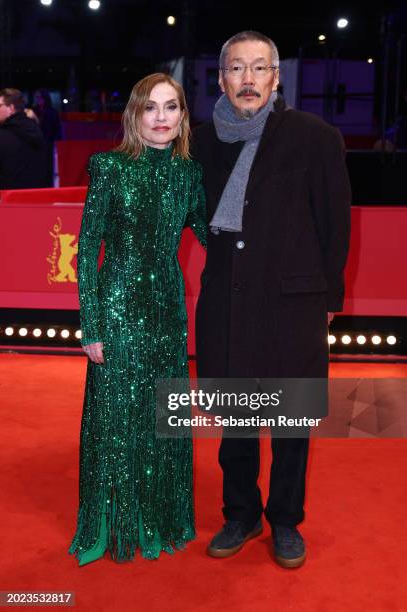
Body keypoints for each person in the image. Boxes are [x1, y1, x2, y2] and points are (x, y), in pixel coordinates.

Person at [191, 31, 351, 568]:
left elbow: (335, 221)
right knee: (235, 418)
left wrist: (329, 294)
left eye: (259, 69)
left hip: (292, 304)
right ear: (221, 78)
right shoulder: (202, 141)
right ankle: (240, 513)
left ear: (276, 78)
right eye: (237, 69)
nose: (248, 80)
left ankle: (285, 519)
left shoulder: (313, 136)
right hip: (227, 302)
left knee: (289, 423)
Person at [68, 73, 206, 566]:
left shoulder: (189, 174)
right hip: (119, 305)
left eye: (172, 107)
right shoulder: (107, 167)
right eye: (151, 107)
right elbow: (86, 250)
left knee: (162, 415)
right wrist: (94, 324)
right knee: (119, 417)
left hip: (168, 308)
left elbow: (213, 235)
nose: (162, 117)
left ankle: (164, 518)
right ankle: (118, 523)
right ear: (134, 115)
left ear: (183, 116)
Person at [0, 88, 47, 189]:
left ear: (11, 108)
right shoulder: (36, 130)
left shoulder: (3, 135)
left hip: (7, 200)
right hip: (35, 198)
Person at [33, 89, 63, 186]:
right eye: (36, 98)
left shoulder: (52, 112)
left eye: (39, 98)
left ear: (45, 99)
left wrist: (56, 142)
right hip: (36, 143)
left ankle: (48, 185)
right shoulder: (34, 111)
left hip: (48, 143)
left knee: (48, 167)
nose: (37, 100)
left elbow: (57, 129)